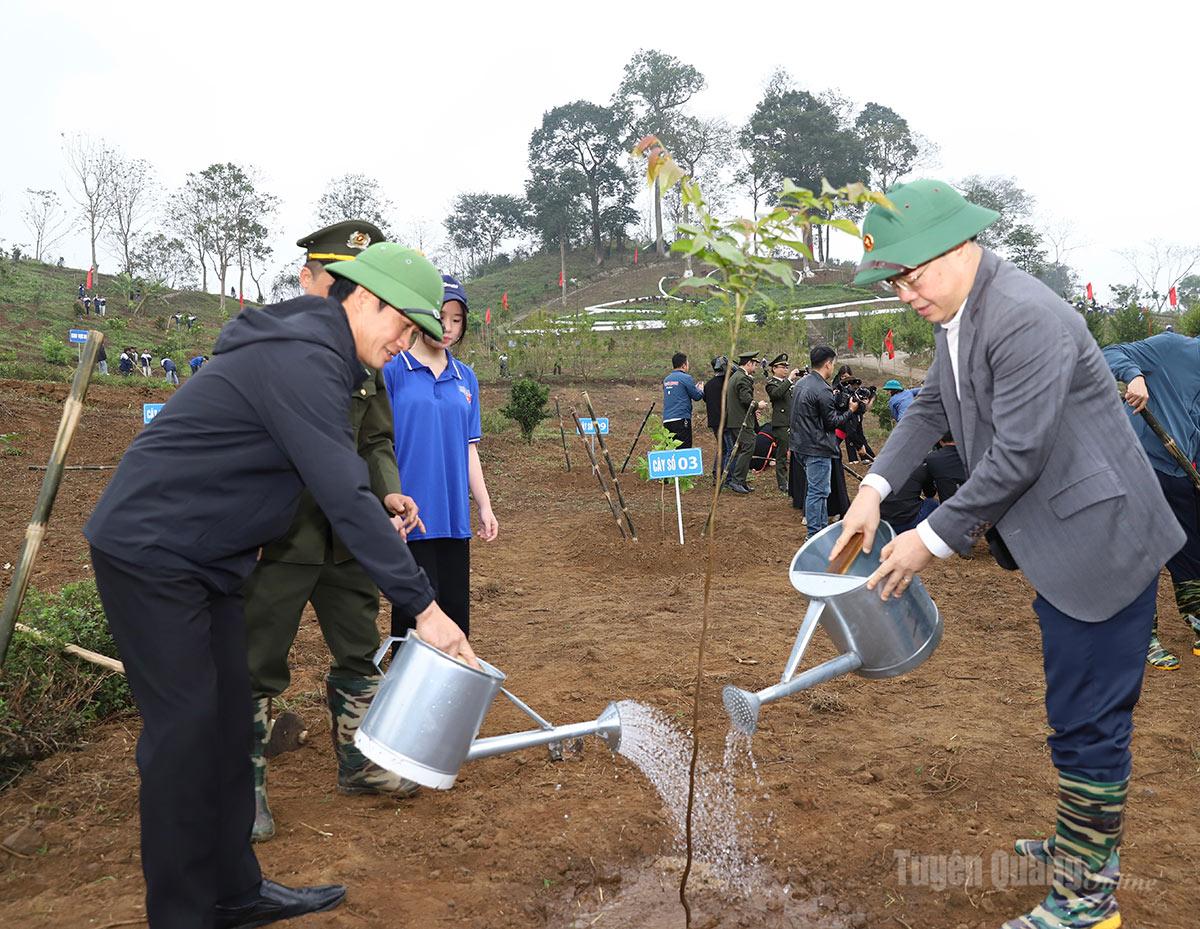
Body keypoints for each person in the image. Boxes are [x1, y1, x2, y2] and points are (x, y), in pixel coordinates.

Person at [84, 242, 474, 929]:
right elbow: (341, 491)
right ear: (364, 299)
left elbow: (333, 472)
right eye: (404, 327)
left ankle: (236, 889)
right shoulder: (304, 356)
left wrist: (373, 501)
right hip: (152, 552)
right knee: (183, 736)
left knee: (233, 718)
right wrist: (424, 606)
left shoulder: (322, 354)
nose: (406, 342)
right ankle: (179, 914)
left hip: (209, 559)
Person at [832, 178, 1184, 929]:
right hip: (1061, 542)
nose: (905, 294)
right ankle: (1077, 845)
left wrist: (925, 539)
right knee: (1075, 703)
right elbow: (932, 402)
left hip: (1101, 541)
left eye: (912, 274)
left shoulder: (1024, 316)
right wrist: (875, 486)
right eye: (894, 279)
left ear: (959, 245)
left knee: (1090, 718)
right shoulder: (965, 310)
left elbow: (1017, 454)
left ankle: (1088, 904)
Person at [239, 221, 422, 843]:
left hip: (347, 539)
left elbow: (373, 439)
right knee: (255, 663)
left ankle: (361, 764)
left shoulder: (366, 361)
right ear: (308, 279)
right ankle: (244, 792)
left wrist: (388, 486)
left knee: (360, 650)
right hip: (282, 535)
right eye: (335, 280)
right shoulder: (272, 347)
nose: (346, 292)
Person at [384, 274, 498, 641]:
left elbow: (469, 448)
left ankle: (450, 698)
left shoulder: (465, 378)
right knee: (412, 624)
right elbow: (378, 446)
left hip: (453, 520)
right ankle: (408, 698)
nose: (447, 327)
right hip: (409, 518)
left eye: (456, 319)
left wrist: (483, 505)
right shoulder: (393, 370)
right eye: (440, 316)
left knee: (454, 622)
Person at [1103, 331, 1200, 671]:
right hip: (1137, 464)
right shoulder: (1173, 348)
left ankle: (1195, 616)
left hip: (1182, 474)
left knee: (1191, 549)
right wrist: (1135, 377)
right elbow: (1109, 351)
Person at [791, 345, 861, 534]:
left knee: (816, 491)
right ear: (828, 364)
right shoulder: (823, 389)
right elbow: (832, 423)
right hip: (817, 448)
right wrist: (851, 411)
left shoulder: (800, 384)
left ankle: (820, 530)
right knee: (818, 493)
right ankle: (814, 534)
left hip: (800, 446)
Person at [722, 351, 767, 494]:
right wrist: (758, 405)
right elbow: (746, 399)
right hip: (742, 421)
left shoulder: (735, 376)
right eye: (754, 364)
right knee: (748, 446)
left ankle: (740, 480)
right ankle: (737, 480)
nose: (756, 367)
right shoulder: (743, 378)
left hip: (735, 420)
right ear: (748, 364)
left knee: (742, 449)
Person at [765, 353, 800, 493]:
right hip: (781, 424)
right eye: (782, 367)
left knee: (796, 452)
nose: (786, 369)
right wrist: (790, 380)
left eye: (787, 367)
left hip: (793, 422)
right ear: (774, 368)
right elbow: (776, 394)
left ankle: (794, 480)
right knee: (781, 454)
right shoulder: (772, 384)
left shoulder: (789, 384)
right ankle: (782, 482)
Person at [662, 352, 704, 448]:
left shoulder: (666, 380)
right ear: (684, 365)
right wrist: (701, 389)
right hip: (681, 419)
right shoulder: (686, 378)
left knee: (671, 448)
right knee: (684, 448)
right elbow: (697, 396)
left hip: (667, 420)